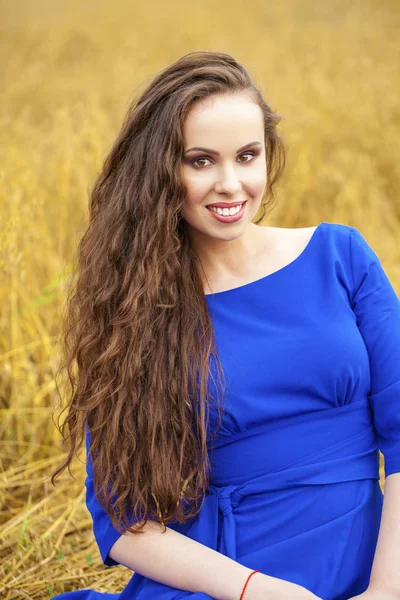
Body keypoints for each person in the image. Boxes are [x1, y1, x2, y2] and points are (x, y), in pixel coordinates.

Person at [51, 51, 400, 600]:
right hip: (229, 577)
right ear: (161, 172)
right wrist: (257, 592)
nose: (231, 184)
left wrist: (386, 591)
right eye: (200, 161)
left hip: (375, 562)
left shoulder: (342, 257)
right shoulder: (138, 310)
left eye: (247, 155)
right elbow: (123, 521)